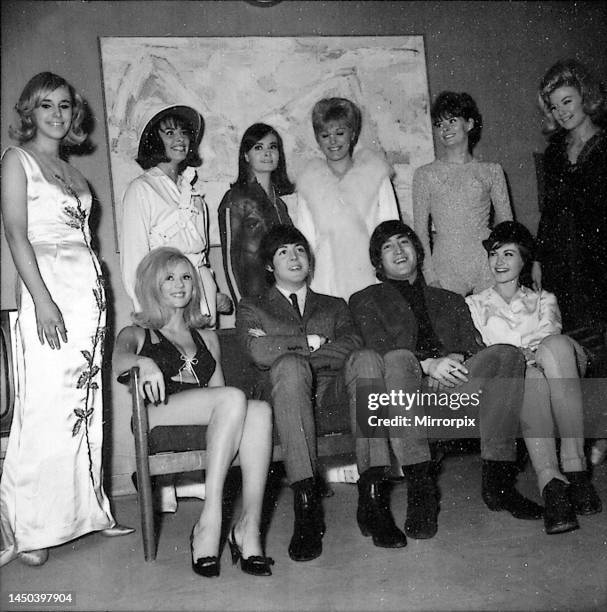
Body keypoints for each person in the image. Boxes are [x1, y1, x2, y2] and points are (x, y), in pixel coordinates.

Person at [0, 72, 132, 568]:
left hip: (89, 294)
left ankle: (90, 513)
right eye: (46, 105)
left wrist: (92, 292)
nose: (57, 114)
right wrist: (43, 300)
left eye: (64, 106)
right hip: (48, 288)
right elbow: (16, 234)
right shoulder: (18, 160)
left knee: (87, 405)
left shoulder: (73, 172)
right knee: (46, 408)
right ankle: (31, 528)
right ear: (29, 112)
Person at [349, 220, 544, 538]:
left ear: (417, 251)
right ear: (377, 261)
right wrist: (426, 364)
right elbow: (378, 348)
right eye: (388, 247)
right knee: (398, 360)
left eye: (404, 242)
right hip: (405, 386)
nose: (399, 251)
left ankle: (499, 485)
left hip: (455, 382)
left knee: (508, 354)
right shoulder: (364, 299)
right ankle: (421, 492)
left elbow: (474, 346)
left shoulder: (450, 299)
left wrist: (459, 358)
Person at [113, 247, 274, 577]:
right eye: (168, 277)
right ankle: (210, 519)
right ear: (151, 285)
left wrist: (231, 406)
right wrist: (142, 361)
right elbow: (118, 361)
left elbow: (220, 395)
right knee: (232, 398)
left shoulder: (207, 337)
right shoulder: (138, 333)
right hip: (156, 414)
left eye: (186, 276)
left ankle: (248, 526)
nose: (179, 284)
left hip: (206, 409)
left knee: (259, 411)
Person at [237, 225, 386, 561]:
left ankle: (374, 497)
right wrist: (312, 344)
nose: (294, 257)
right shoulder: (251, 307)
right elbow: (257, 353)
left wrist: (289, 350)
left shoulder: (334, 306)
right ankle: (306, 508)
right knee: (289, 368)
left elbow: (352, 345)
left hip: (332, 390)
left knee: (366, 360)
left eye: (300, 249)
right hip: (284, 399)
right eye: (283, 252)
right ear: (269, 266)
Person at [466, 221, 602, 535]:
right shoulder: (473, 304)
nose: (499, 261)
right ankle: (555, 485)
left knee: (552, 348)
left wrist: (527, 353)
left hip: (558, 365)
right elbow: (488, 353)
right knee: (526, 375)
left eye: (508, 254)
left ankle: (573, 466)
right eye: (494, 254)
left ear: (524, 261)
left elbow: (549, 334)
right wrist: (519, 358)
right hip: (518, 379)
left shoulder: (543, 299)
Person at [120, 104, 231, 327]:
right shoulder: (141, 189)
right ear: (154, 139)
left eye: (183, 132)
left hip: (201, 297)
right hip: (163, 303)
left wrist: (213, 293)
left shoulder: (193, 194)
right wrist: (148, 313)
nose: (179, 139)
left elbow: (201, 258)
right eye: (170, 133)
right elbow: (134, 261)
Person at [296, 97, 401, 300]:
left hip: (371, 277)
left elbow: (390, 230)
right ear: (318, 139)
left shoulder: (376, 175)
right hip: (324, 281)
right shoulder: (308, 183)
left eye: (340, 133)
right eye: (325, 135)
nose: (333, 141)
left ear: (352, 135)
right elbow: (305, 238)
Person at [412, 91, 513, 296]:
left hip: (486, 261)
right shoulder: (425, 174)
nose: (445, 129)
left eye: (451, 120)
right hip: (445, 265)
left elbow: (506, 225)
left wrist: (507, 267)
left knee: (493, 325)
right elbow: (420, 232)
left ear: (469, 124)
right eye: (439, 124)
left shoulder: (492, 171)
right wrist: (430, 276)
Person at [533, 59, 607, 331]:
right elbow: (549, 210)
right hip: (561, 260)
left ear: (585, 96)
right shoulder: (553, 153)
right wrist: (538, 260)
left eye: (567, 101)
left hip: (599, 259)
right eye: (554, 106)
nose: (561, 112)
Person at [218, 122, 294, 303]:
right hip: (254, 295)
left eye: (272, 147)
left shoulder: (281, 205)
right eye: (258, 147)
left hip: (285, 297)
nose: (267, 153)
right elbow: (230, 261)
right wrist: (243, 309)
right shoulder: (235, 198)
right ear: (246, 155)